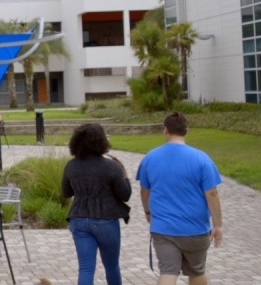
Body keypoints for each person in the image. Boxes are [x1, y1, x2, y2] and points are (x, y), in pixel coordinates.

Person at [136, 112, 223, 285]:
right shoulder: (201, 158)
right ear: (186, 131)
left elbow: (144, 191)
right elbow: (212, 194)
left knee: (168, 271)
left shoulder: (150, 158)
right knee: (197, 271)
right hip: (196, 228)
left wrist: (148, 213)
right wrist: (218, 224)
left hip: (163, 228)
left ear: (165, 130)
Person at [62, 123, 131, 285]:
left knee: (85, 268)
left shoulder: (71, 166)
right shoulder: (111, 167)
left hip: (79, 219)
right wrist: (124, 174)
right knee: (112, 265)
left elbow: (66, 193)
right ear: (101, 141)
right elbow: (125, 195)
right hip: (106, 220)